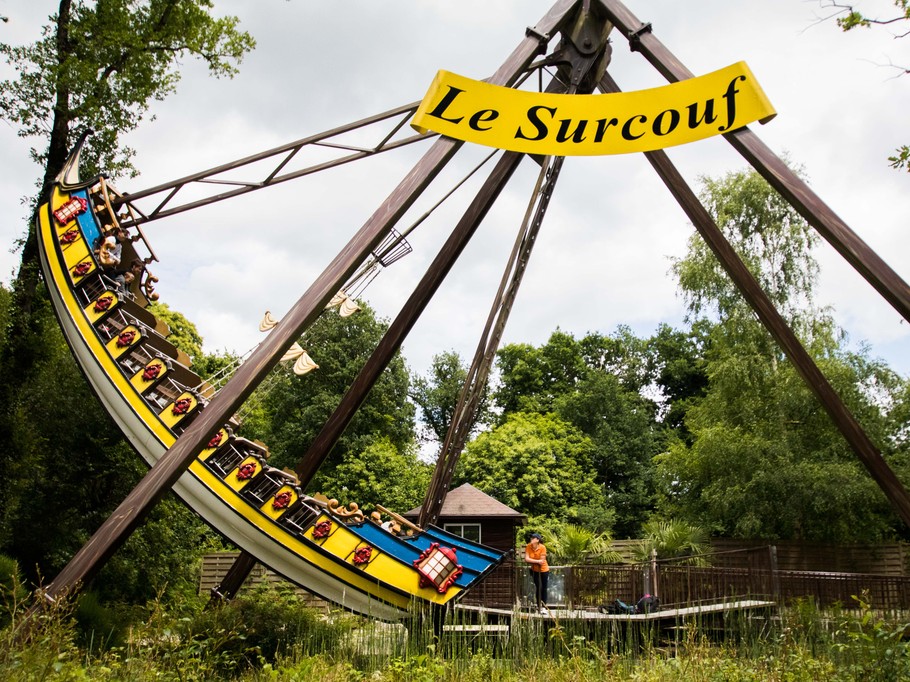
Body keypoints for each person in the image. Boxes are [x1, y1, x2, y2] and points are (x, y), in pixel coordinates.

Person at [524, 532, 550, 615]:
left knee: (544, 588)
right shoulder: (528, 546)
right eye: (531, 538)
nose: (531, 539)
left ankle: (544, 606)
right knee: (539, 587)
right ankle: (539, 606)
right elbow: (526, 559)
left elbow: (542, 561)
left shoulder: (542, 547)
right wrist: (537, 561)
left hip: (544, 570)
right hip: (535, 570)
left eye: (533, 538)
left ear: (537, 540)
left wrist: (536, 561)